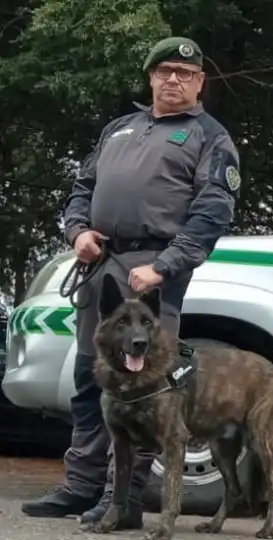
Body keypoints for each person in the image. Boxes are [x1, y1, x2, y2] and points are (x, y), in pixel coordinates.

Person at [21, 36, 242, 530]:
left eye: (186, 74)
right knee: (89, 375)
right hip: (101, 263)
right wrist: (77, 232)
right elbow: (83, 189)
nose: (174, 80)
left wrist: (165, 266)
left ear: (200, 82)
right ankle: (81, 485)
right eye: (165, 71)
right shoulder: (119, 129)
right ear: (150, 77)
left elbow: (212, 212)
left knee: (145, 385)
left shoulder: (211, 138)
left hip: (154, 268)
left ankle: (123, 500)